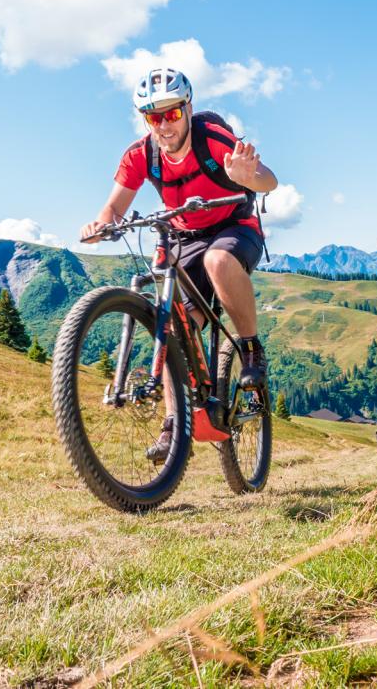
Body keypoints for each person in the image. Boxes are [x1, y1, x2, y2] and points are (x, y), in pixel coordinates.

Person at [81, 67, 278, 460]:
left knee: (219, 260)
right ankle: (176, 425)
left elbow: (269, 181)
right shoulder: (142, 155)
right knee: (172, 326)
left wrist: (248, 177)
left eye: (171, 114)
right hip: (185, 235)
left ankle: (251, 349)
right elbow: (114, 208)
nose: (164, 125)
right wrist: (102, 225)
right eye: (154, 117)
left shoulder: (212, 137)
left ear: (188, 108)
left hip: (234, 225)